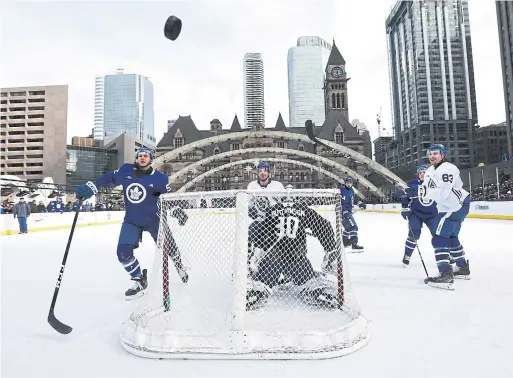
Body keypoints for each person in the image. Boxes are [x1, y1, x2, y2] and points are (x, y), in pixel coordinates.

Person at [74, 147, 189, 300]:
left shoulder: (160, 179)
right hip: (132, 220)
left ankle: (180, 266)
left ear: (151, 159)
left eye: (146, 156)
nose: (142, 158)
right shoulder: (126, 171)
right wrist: (92, 187)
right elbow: (108, 178)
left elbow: (167, 197)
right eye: (140, 156)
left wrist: (176, 211)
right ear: (136, 158)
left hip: (154, 220)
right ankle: (139, 279)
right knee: (123, 254)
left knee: (170, 247)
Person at [246, 194, 340, 310]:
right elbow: (324, 225)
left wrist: (251, 259)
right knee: (307, 281)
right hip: (297, 258)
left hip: (273, 259)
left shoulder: (270, 211)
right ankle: (312, 288)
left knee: (264, 279)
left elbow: (256, 231)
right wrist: (330, 249)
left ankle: (258, 290)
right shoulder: (304, 210)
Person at [419, 144, 471, 290]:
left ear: (443, 155)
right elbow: (430, 193)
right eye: (430, 154)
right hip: (448, 207)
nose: (432, 156)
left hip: (455, 206)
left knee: (439, 238)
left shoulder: (448, 168)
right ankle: (462, 267)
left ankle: (445, 274)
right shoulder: (429, 171)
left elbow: (442, 194)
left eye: (435, 153)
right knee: (451, 237)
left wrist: (427, 192)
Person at [400, 165, 439, 267]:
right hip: (415, 214)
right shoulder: (412, 184)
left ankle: (447, 255)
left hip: (432, 214)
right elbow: (405, 196)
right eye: (420, 173)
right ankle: (407, 256)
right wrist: (405, 208)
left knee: (438, 234)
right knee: (414, 234)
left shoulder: (436, 183)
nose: (422, 174)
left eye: (424, 172)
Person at [340, 177, 366, 252]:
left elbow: (353, 200)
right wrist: (344, 212)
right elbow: (342, 203)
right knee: (354, 227)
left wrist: (360, 203)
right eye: (347, 183)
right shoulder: (343, 191)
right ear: (345, 183)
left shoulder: (351, 190)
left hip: (348, 212)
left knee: (348, 229)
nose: (348, 184)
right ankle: (354, 244)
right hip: (343, 213)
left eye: (350, 183)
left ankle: (343, 243)